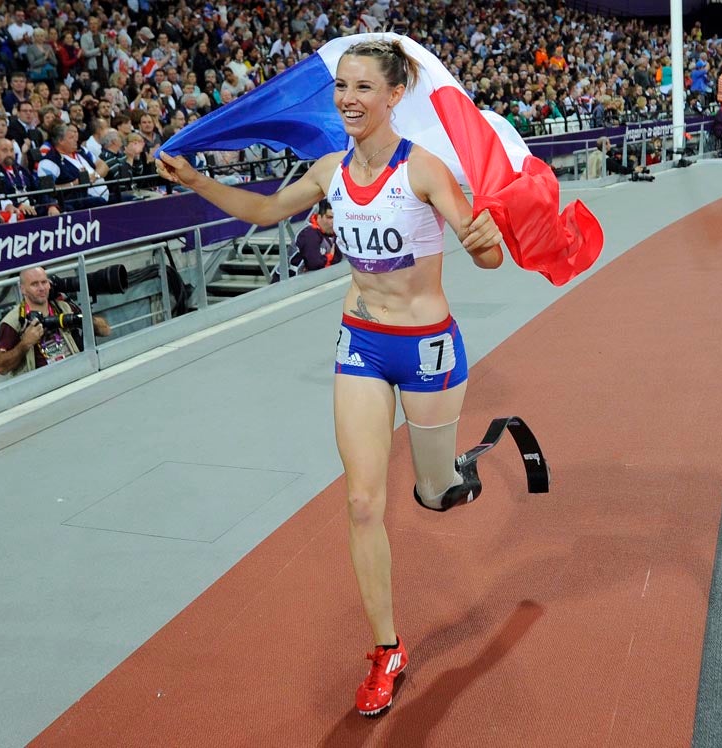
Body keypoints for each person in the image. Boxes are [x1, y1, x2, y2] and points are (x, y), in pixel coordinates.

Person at [157, 39, 504, 718]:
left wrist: (483, 241)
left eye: (363, 87)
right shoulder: (328, 169)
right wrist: (199, 182)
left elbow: (487, 256)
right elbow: (264, 212)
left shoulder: (426, 170)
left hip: (428, 347)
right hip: (363, 346)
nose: (346, 98)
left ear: (395, 94)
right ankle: (387, 650)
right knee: (362, 503)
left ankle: (452, 475)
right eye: (341, 86)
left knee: (433, 496)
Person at [0, 266, 110, 376]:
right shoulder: (13, 321)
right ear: (23, 289)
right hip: (42, 386)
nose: (41, 288)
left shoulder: (64, 307)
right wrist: (25, 343)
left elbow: (106, 331)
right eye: (34, 284)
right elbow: (1, 367)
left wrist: (81, 320)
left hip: (77, 372)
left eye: (44, 282)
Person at [0, 137, 60, 216]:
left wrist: (51, 205)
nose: (9, 154)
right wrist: (18, 205)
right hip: (14, 213)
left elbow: (38, 189)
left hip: (32, 209)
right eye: (5, 150)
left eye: (12, 150)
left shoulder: (21, 169)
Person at [274, 198, 341, 281]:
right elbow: (314, 263)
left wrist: (325, 259)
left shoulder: (332, 231)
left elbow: (338, 257)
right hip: (287, 282)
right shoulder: (309, 233)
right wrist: (329, 257)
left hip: (303, 281)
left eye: (336, 217)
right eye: (329, 217)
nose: (333, 222)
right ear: (319, 216)